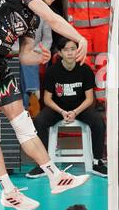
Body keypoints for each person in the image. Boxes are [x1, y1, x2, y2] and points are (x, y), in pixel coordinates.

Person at [0, 0, 90, 210]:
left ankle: (55, 177)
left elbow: (24, 57)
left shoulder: (33, 18)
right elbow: (54, 19)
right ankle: (8, 191)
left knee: (23, 124)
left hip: (0, 62)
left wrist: (40, 58)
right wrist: (80, 38)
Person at [26, 37, 107, 179]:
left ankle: (97, 162)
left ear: (77, 51)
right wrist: (62, 111)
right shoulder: (53, 71)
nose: (70, 53)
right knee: (39, 121)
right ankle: (43, 165)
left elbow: (89, 99)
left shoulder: (85, 69)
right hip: (58, 108)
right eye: (66, 50)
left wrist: (75, 112)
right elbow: (47, 99)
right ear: (60, 53)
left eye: (73, 49)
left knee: (98, 122)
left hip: (80, 108)